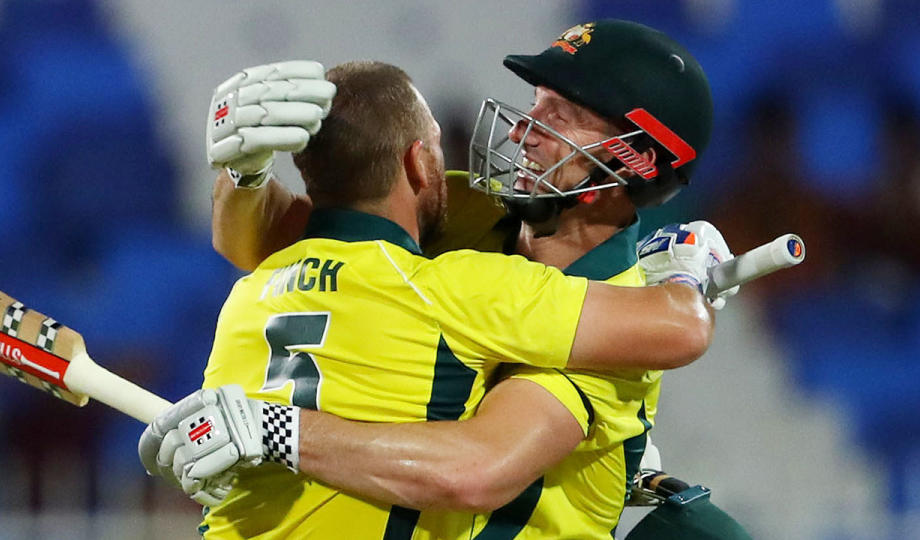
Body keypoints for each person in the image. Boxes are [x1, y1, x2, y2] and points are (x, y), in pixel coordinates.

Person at [142, 21, 735, 539]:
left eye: (563, 115)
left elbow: (474, 470)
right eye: (536, 103)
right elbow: (281, 242)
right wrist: (243, 174)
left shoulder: (627, 322)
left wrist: (273, 430)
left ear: (634, 159)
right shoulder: (477, 210)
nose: (523, 129)